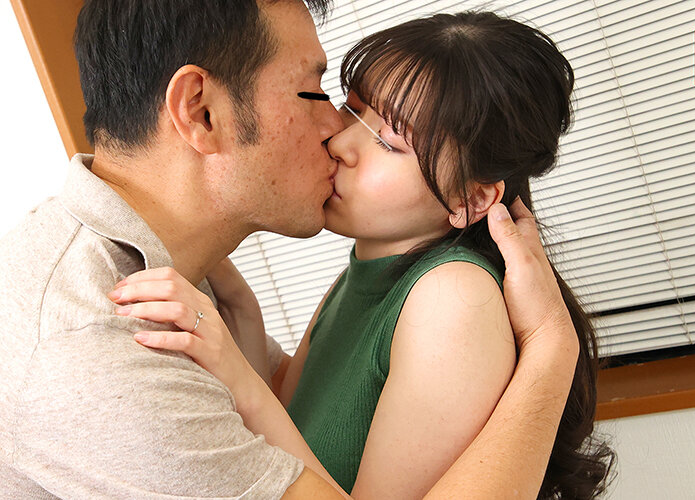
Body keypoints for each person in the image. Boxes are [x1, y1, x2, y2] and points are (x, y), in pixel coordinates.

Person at [0, 1, 580, 498]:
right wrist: (551, 351)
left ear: (471, 198)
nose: (336, 133)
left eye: (387, 141)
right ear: (201, 110)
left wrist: (553, 348)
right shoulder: (98, 350)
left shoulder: (448, 294)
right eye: (327, 98)